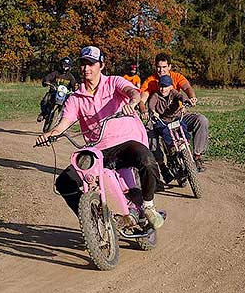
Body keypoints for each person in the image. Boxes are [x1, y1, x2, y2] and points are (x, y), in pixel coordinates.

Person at [35, 46, 164, 229]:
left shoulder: (113, 82)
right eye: (83, 64)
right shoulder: (75, 98)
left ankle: (148, 206)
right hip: (98, 151)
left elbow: (132, 92)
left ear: (101, 65)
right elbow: (64, 123)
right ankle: (92, 219)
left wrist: (133, 102)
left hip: (125, 143)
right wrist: (49, 135)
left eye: (91, 64)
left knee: (147, 160)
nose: (86, 68)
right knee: (64, 182)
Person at [140, 53, 209, 173]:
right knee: (148, 132)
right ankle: (161, 165)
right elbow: (142, 99)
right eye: (158, 67)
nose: (161, 70)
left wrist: (191, 98)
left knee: (201, 120)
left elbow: (187, 88)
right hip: (159, 117)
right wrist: (144, 110)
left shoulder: (176, 77)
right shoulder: (150, 81)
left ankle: (197, 156)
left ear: (169, 66)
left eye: (164, 67)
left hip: (178, 115)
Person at [148, 75, 191, 183]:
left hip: (175, 118)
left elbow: (181, 97)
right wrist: (153, 112)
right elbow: (151, 104)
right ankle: (171, 149)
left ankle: (185, 143)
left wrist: (184, 103)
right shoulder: (156, 96)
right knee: (165, 132)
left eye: (166, 86)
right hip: (162, 121)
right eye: (161, 86)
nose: (163, 89)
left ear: (171, 87)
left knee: (183, 127)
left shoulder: (174, 93)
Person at [37, 56, 77, 122]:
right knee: (45, 100)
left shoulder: (70, 77)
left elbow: (74, 85)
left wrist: (75, 88)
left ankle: (63, 120)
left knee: (68, 106)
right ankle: (43, 113)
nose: (65, 68)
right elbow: (48, 78)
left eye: (67, 66)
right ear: (61, 65)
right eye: (64, 65)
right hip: (53, 93)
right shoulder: (56, 73)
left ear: (70, 67)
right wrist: (46, 81)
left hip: (65, 95)